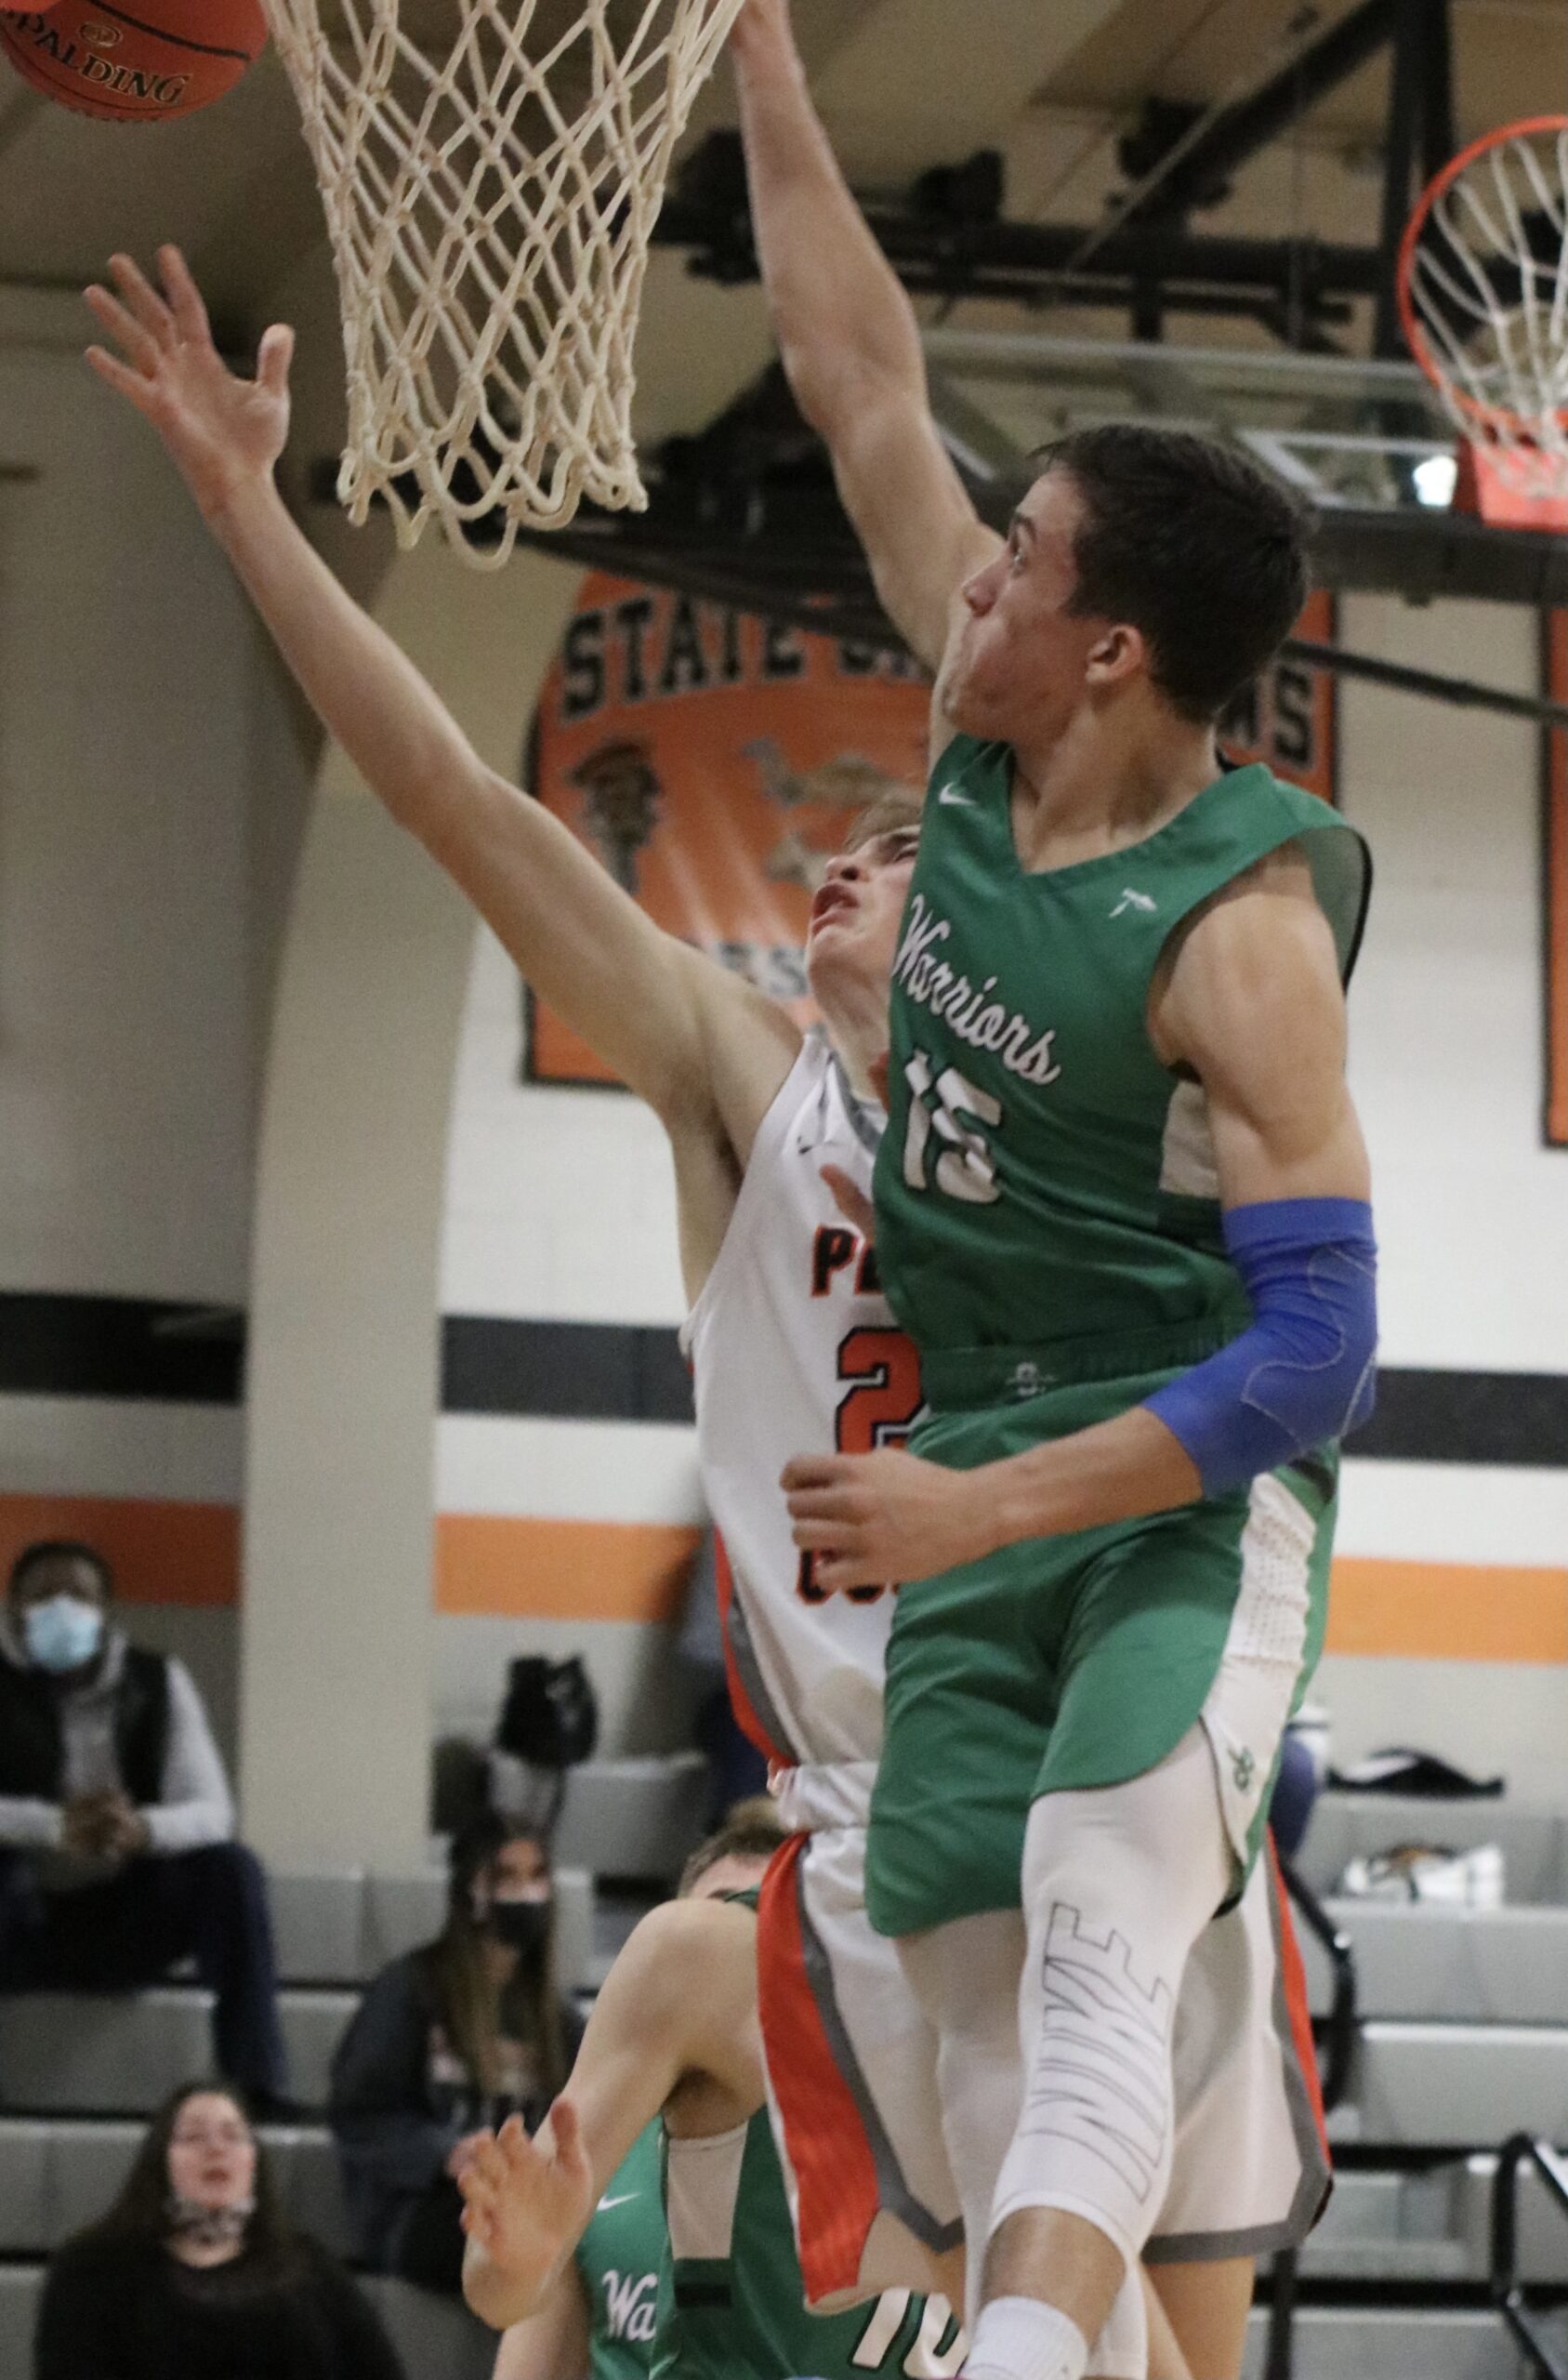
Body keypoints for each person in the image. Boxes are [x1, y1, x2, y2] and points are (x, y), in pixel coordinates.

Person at [83, 245, 1331, 2380]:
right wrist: (245, 512)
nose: (845, 867)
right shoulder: (743, 1084)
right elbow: (456, 803)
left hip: (1122, 1767)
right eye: (833, 855)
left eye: (898, 855)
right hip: (887, 1824)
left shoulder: (1124, 1079)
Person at [731, 6, 1377, 2376]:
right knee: (988, 2017)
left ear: (1106, 646)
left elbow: (1319, 1355)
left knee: (1104, 1926)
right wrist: (758, 53)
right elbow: (857, 380)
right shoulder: (977, 743)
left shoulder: (1243, 931)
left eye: (1015, 561)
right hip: (981, 1457)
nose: (967, 576)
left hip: (1176, 1486)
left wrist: (985, 1508)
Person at [462, 1808, 965, 2380]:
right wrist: (514, 2265)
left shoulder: (972, 1989)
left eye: (760, 1904)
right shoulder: (604, 2162)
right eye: (722, 1908)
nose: (741, 1927)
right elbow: (505, 2300)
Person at [0, 1538, 289, 2109]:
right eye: (44, 1595)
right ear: (14, 1609)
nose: (62, 1608)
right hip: (18, 1920)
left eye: (79, 1595)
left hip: (126, 1913)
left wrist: (143, 1830)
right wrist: (51, 1826)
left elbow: (213, 1812)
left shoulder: (157, 1680)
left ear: (106, 1611)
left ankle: (256, 2085)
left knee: (230, 1869)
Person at [329, 1814, 582, 2294]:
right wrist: (446, 2154)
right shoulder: (409, 1991)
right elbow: (360, 2115)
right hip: (421, 2207)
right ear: (471, 1889)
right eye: (507, 1876)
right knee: (519, 2243)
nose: (526, 1894)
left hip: (520, 2201)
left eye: (536, 1877)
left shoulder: (558, 2017)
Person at [33, 2078, 403, 2380]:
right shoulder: (92, 2271)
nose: (216, 2149)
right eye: (194, 2137)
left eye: (233, 2136)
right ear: (159, 2162)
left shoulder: (311, 2269)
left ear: (254, 2162)